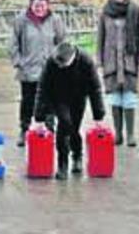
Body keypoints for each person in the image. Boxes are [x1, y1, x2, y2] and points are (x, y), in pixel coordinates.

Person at [34, 42, 105, 180]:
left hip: (78, 98)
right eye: (57, 64)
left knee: (74, 128)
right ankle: (62, 164)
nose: (59, 67)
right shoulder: (51, 62)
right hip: (59, 98)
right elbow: (42, 88)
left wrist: (98, 115)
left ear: (71, 58)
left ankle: (77, 156)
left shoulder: (86, 61)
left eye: (62, 65)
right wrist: (39, 117)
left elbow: (95, 89)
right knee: (64, 125)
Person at [8, 0, 66, 147]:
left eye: (42, 5)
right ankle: (24, 130)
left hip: (49, 70)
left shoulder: (55, 20)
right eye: (36, 6)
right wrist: (19, 62)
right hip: (28, 70)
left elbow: (62, 43)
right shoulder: (21, 21)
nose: (39, 8)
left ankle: (49, 130)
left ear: (47, 6)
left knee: (50, 102)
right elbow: (13, 44)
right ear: (31, 5)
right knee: (28, 101)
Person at [97, 0, 139, 147]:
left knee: (129, 97)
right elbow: (100, 37)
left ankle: (131, 135)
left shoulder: (135, 11)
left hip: (129, 60)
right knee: (114, 97)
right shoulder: (105, 12)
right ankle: (118, 134)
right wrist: (99, 59)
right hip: (111, 60)